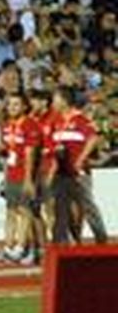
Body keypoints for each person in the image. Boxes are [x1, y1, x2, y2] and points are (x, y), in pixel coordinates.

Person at [45, 88, 107, 245]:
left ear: (64, 101)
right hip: (62, 172)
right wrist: (51, 172)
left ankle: (101, 237)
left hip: (79, 173)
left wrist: (80, 159)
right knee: (62, 207)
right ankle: (70, 240)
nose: (52, 103)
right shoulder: (57, 121)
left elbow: (93, 138)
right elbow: (56, 148)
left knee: (87, 206)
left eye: (55, 99)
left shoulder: (81, 119)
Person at [0, 93, 41, 265]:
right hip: (12, 173)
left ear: (24, 107)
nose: (12, 108)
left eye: (16, 105)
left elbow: (31, 153)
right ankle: (8, 246)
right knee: (11, 210)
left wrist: (29, 179)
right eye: (10, 104)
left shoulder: (30, 125)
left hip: (24, 174)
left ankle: (22, 246)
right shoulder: (8, 125)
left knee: (25, 210)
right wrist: (2, 151)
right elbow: (9, 153)